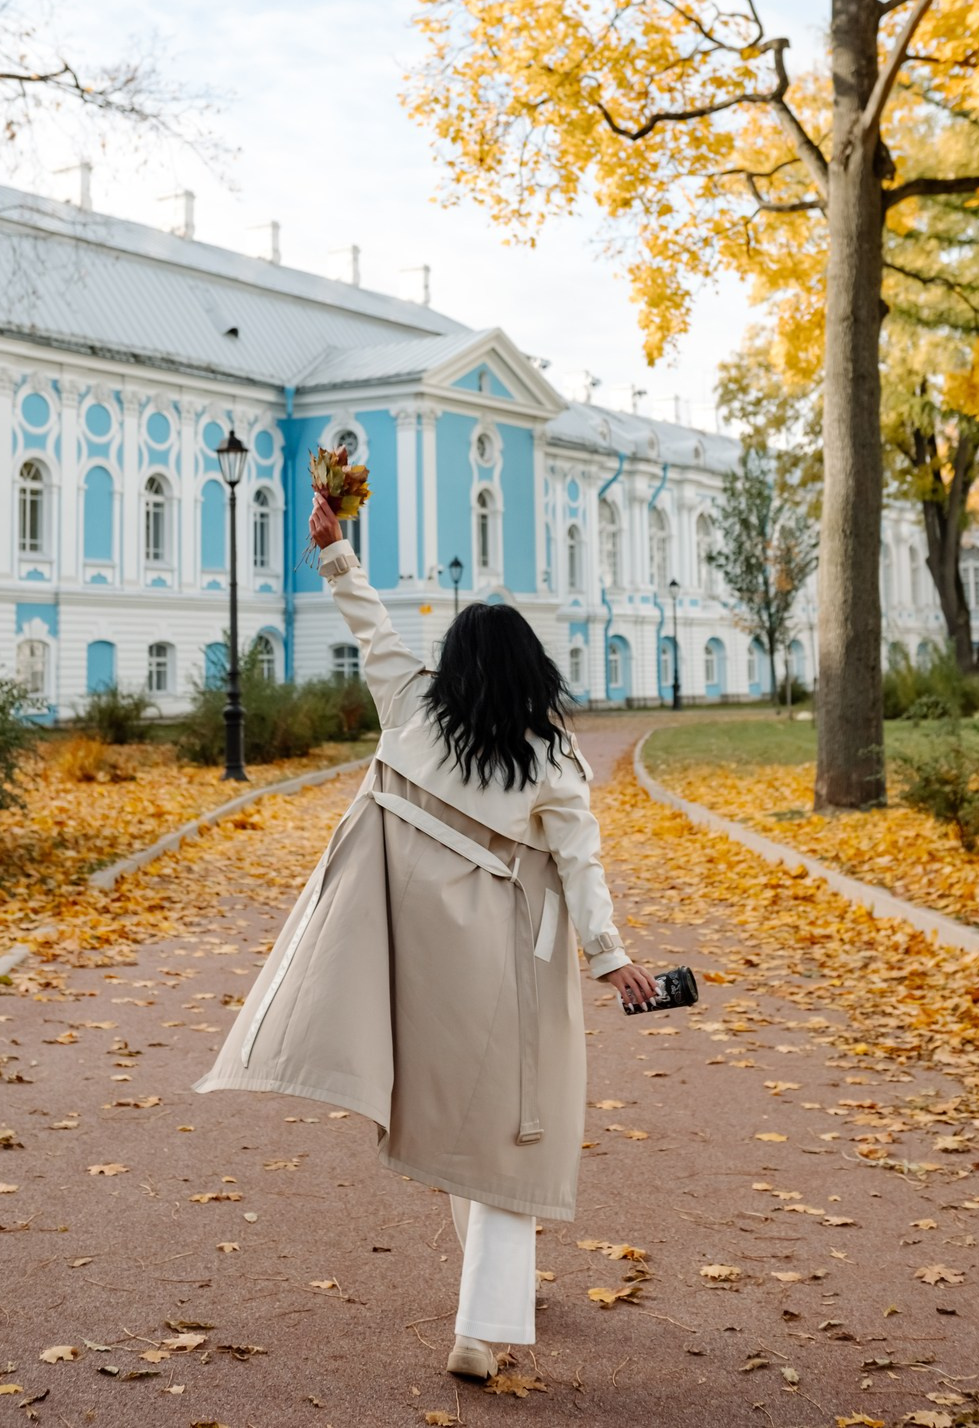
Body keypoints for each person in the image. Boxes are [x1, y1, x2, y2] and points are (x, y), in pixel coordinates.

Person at [194, 491, 656, 1381]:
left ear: (457, 666)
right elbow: (581, 870)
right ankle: (481, 1327)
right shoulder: (553, 761)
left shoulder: (411, 710)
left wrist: (336, 551)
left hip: (414, 972)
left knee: (458, 1138)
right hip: (511, 973)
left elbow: (372, 631)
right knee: (511, 1142)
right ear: (530, 671)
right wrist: (612, 958)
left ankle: (497, 1297)